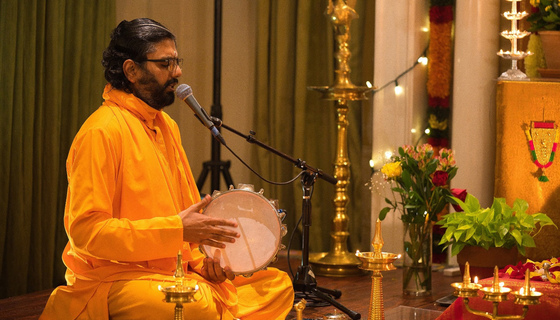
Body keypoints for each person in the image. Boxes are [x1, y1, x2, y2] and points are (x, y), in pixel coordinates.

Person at [40, 18, 294, 320]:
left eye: (177, 62)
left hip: (175, 272)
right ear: (132, 70)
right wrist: (176, 230)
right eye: (166, 63)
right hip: (117, 279)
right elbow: (87, 233)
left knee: (277, 284)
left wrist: (205, 264)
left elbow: (187, 218)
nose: (178, 72)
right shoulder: (101, 131)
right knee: (195, 304)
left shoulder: (166, 127)